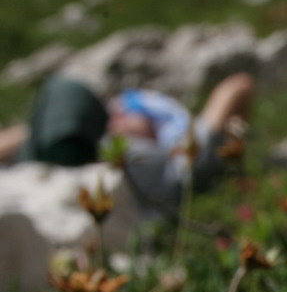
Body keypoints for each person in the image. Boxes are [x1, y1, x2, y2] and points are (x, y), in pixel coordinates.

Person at [0, 72, 254, 216]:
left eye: (129, 111)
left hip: (79, 190)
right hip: (49, 172)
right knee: (66, 96)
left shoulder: (179, 161)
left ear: (156, 126)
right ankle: (65, 139)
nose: (116, 117)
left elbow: (238, 86)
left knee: (68, 92)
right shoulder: (94, 137)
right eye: (111, 115)